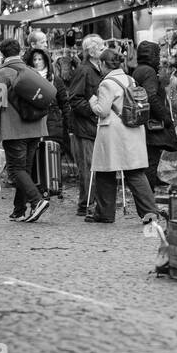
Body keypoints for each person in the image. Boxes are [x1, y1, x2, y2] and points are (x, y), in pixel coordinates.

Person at [0, 38, 51, 224]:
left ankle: (37, 201)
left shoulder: (3, 73)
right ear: (19, 51)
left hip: (15, 129)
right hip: (36, 128)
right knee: (24, 169)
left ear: (2, 54)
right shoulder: (30, 70)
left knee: (15, 170)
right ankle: (19, 210)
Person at [88, 47, 160, 224]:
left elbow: (102, 110)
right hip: (133, 129)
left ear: (103, 64)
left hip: (113, 133)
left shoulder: (106, 83)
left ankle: (104, 213)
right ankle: (149, 211)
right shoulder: (130, 79)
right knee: (135, 172)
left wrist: (92, 101)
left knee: (105, 173)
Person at [67, 34, 107, 218]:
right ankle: (85, 204)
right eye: (101, 48)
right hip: (85, 126)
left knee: (94, 166)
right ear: (91, 52)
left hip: (95, 124)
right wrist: (94, 110)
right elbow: (74, 99)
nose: (104, 50)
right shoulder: (84, 70)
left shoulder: (99, 68)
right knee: (88, 166)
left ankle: (93, 202)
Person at [133, 40, 177, 191]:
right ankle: (148, 198)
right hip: (152, 126)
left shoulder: (139, 70)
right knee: (151, 163)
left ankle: (146, 195)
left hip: (144, 123)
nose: (159, 58)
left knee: (147, 162)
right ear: (151, 56)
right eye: (157, 55)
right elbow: (151, 96)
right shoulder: (149, 72)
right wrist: (166, 117)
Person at [24, 45, 69, 196]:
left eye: (40, 59)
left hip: (52, 122)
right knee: (34, 154)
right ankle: (37, 185)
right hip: (34, 122)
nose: (37, 62)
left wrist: (68, 125)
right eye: (35, 59)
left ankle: (53, 184)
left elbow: (64, 103)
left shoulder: (55, 80)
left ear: (46, 61)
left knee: (52, 152)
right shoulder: (29, 79)